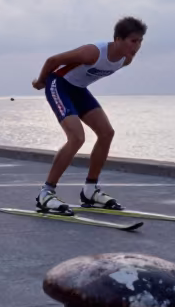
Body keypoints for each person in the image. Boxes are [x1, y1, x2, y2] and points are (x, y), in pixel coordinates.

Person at [31, 16, 147, 213]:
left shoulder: (126, 60)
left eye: (140, 41)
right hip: (58, 84)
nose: (137, 46)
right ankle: (46, 193)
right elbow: (53, 60)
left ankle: (90, 190)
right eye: (133, 41)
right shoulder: (92, 52)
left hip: (78, 90)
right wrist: (41, 81)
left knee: (106, 133)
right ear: (118, 39)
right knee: (76, 137)